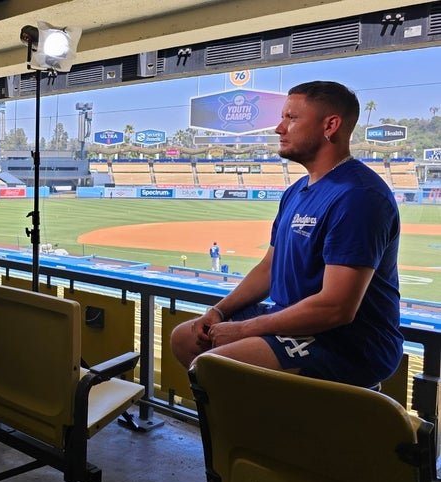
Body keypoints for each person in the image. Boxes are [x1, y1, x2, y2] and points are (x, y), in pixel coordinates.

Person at [170, 81, 402, 389]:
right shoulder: (296, 191)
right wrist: (219, 310)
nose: (279, 128)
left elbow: (336, 308)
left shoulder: (359, 196)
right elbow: (270, 267)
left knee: (212, 366)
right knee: (185, 339)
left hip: (348, 343)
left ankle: (268, 419)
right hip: (290, 318)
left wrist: (244, 330)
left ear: (330, 125)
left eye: (291, 118)